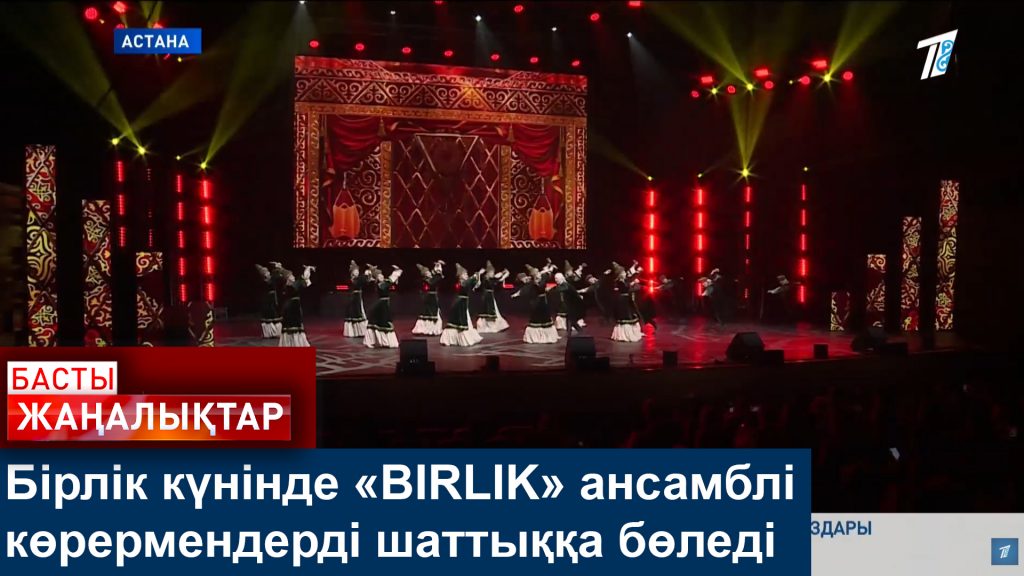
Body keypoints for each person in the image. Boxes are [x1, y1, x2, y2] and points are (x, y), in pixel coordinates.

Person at [512, 264, 559, 344]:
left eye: (538, 273)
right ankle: (535, 337)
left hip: (543, 302)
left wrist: (551, 267)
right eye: (536, 274)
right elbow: (524, 289)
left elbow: (548, 272)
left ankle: (548, 337)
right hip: (535, 302)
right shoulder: (531, 283)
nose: (538, 275)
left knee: (546, 318)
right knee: (535, 318)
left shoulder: (543, 277)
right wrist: (517, 294)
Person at [440, 263, 484, 346]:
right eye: (465, 274)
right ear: (460, 276)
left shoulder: (465, 282)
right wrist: (477, 274)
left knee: (463, 320)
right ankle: (455, 339)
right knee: (459, 321)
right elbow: (468, 282)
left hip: (463, 304)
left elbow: (475, 284)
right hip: (459, 304)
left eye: (467, 274)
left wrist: (478, 276)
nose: (466, 275)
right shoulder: (461, 283)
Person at [364, 265, 403, 348]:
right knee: (382, 322)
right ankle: (377, 341)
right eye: (379, 276)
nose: (381, 277)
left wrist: (396, 271)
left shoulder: (384, 282)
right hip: (381, 305)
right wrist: (397, 271)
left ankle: (385, 342)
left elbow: (391, 280)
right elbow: (391, 280)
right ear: (377, 278)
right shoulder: (380, 285)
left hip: (384, 304)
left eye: (382, 275)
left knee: (383, 321)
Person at [279, 265, 314, 347]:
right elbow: (303, 280)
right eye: (291, 275)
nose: (293, 276)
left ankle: (292, 344)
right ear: (288, 278)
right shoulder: (291, 286)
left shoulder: (291, 285)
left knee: (293, 324)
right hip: (292, 307)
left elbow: (303, 281)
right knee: (293, 324)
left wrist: (307, 270)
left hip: (292, 306)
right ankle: (294, 344)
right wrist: (307, 270)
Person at [610, 262, 643, 342]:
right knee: (626, 316)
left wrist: (637, 272)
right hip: (623, 301)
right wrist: (633, 282)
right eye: (623, 272)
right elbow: (627, 285)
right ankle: (625, 335)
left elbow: (630, 278)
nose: (625, 273)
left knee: (631, 315)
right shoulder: (620, 282)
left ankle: (633, 333)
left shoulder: (624, 280)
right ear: (620, 274)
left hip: (626, 300)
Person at [476, 261, 511, 333]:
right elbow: (495, 279)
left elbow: (499, 278)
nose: (493, 273)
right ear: (488, 273)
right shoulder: (486, 279)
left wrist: (504, 273)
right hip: (487, 297)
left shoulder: (492, 279)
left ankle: (494, 325)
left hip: (490, 296)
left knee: (493, 311)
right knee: (487, 312)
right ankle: (486, 326)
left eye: (493, 272)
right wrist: (479, 273)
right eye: (491, 272)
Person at [412, 260, 445, 335]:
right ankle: (427, 330)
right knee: (428, 314)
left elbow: (435, 276)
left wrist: (438, 265)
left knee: (432, 314)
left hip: (431, 299)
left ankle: (433, 329)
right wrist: (438, 271)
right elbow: (434, 280)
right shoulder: (426, 281)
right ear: (425, 275)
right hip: (429, 299)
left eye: (429, 272)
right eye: (427, 273)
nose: (429, 273)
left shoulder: (430, 279)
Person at [551, 272, 589, 336]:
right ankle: (572, 334)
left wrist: (551, 289)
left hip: (575, 306)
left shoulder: (566, 285)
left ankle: (574, 334)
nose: (555, 280)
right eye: (555, 278)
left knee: (571, 320)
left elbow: (560, 289)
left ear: (561, 278)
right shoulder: (563, 285)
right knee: (570, 320)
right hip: (571, 306)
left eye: (557, 278)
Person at [255, 263, 282, 339]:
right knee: (268, 314)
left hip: (273, 298)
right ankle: (269, 333)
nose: (268, 273)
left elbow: (277, 276)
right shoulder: (265, 281)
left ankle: (276, 332)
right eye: (266, 272)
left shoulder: (271, 279)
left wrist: (277, 267)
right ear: (264, 274)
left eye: (268, 271)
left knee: (275, 313)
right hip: (267, 299)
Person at [343, 260, 368, 337]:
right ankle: (354, 332)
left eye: (358, 271)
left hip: (358, 297)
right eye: (355, 271)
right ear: (352, 272)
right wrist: (365, 275)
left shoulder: (358, 278)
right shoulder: (353, 279)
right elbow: (358, 282)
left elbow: (364, 282)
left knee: (359, 312)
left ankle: (360, 331)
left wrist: (367, 276)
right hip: (353, 298)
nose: (357, 272)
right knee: (354, 313)